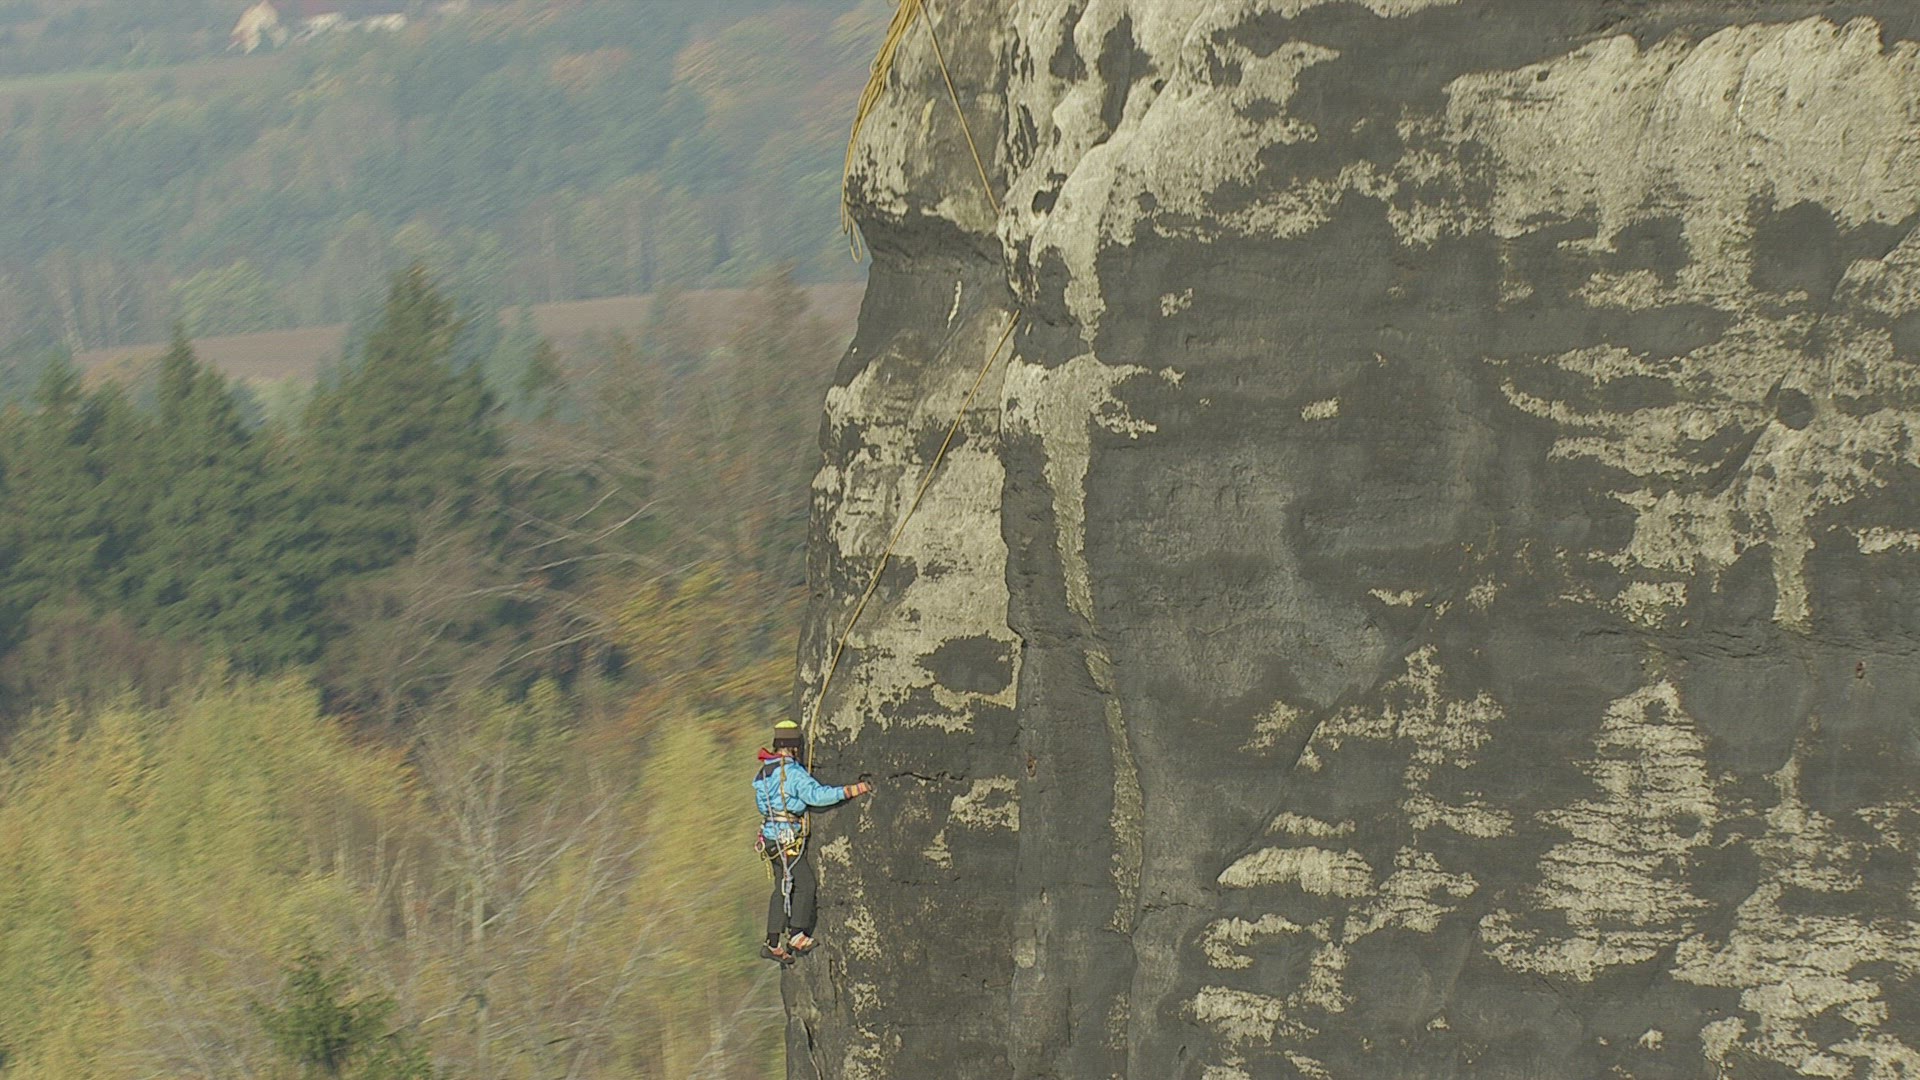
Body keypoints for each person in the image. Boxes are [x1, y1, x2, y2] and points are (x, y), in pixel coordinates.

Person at [755, 719, 871, 964]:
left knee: (782, 886)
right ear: (795, 746)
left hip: (770, 838)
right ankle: (796, 934)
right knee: (805, 884)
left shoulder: (764, 772)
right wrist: (850, 791)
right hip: (787, 839)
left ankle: (772, 943)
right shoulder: (792, 773)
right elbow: (816, 796)